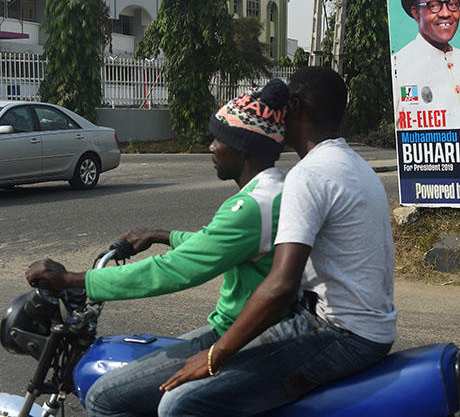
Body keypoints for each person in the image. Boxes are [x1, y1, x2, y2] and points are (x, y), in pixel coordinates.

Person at [25, 79, 290, 415]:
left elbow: (174, 271)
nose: (210, 148)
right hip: (248, 326)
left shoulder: (251, 207)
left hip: (239, 332)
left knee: (103, 396)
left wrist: (76, 279)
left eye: (218, 139)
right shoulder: (274, 192)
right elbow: (216, 245)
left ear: (243, 148)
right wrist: (163, 235)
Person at [153, 66, 397, 416]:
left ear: (294, 109)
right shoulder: (352, 164)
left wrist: (214, 356)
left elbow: (281, 285)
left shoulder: (309, 176)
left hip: (341, 333)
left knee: (179, 404)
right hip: (367, 328)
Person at [392, 0, 460, 118]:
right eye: (434, 5)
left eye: (453, 4)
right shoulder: (399, 67)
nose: (445, 13)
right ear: (416, 13)